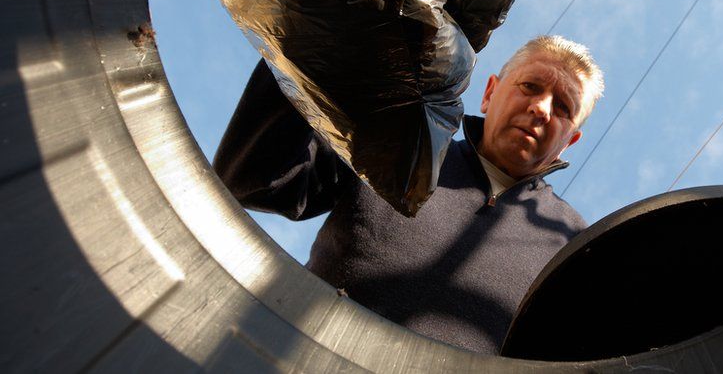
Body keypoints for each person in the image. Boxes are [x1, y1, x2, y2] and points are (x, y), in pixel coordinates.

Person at [214, 35, 604, 355]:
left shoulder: (577, 244)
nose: (540, 108)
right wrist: (314, 40)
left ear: (570, 141)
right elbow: (258, 180)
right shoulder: (405, 143)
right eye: (531, 86)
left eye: (563, 107)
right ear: (489, 93)